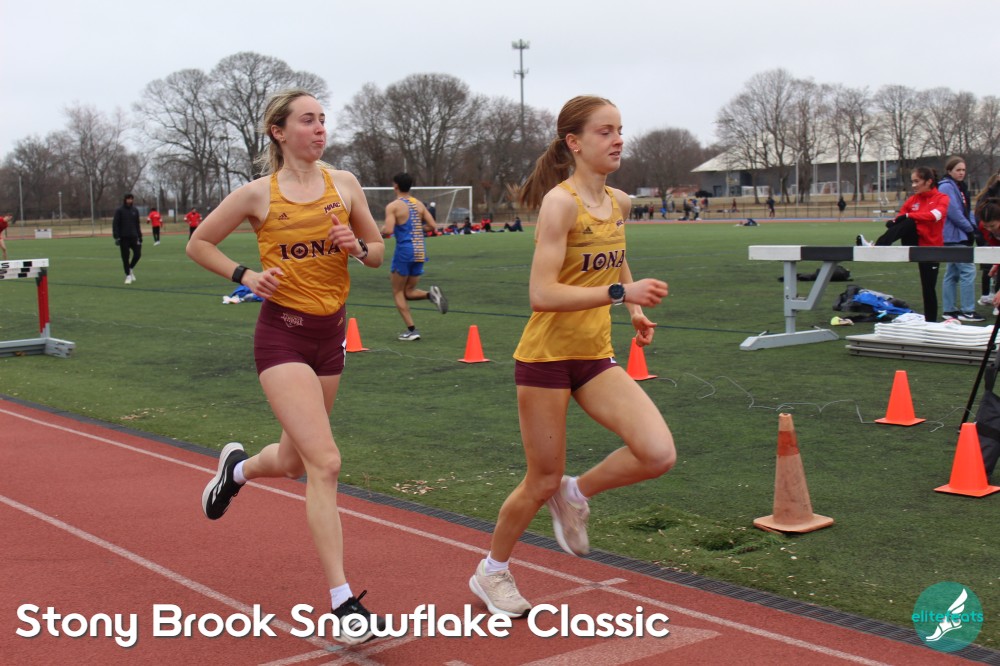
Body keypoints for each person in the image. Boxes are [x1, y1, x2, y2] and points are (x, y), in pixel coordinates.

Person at [186, 89, 388, 644]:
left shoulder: (344, 184)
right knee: (326, 461)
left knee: (295, 462)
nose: (320, 128)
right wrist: (246, 276)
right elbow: (199, 243)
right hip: (282, 338)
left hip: (330, 338)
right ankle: (343, 603)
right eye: (307, 120)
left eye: (323, 119)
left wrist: (356, 245)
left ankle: (236, 471)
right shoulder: (258, 194)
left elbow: (376, 253)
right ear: (279, 131)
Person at [468, 95, 675, 618]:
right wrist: (621, 295)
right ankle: (492, 571)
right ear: (574, 143)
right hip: (545, 360)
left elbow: (616, 257)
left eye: (620, 129)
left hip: (594, 356)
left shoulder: (619, 202)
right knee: (540, 479)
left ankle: (576, 493)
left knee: (657, 454)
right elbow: (541, 294)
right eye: (606, 131)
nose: (618, 139)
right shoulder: (560, 204)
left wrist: (633, 309)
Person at [864, 166, 948, 322]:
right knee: (907, 222)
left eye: (917, 181)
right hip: (913, 242)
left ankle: (930, 322)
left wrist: (910, 216)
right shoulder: (912, 200)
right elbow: (901, 218)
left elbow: (935, 216)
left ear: (928, 181)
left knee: (928, 288)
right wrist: (894, 222)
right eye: (912, 181)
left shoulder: (942, 198)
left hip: (931, 248)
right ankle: (877, 246)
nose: (913, 185)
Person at [380, 172, 447, 341]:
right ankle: (431, 295)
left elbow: (388, 230)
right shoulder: (419, 204)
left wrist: (378, 232)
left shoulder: (393, 206)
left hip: (404, 251)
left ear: (395, 186)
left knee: (397, 292)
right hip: (419, 250)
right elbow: (432, 226)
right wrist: (416, 230)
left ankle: (412, 330)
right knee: (408, 291)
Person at [938, 157, 982, 322]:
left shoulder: (959, 187)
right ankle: (967, 310)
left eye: (963, 170)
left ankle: (949, 310)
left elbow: (965, 209)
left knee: (953, 272)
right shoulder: (946, 187)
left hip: (957, 234)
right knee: (967, 270)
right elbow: (953, 212)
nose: (961, 173)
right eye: (958, 170)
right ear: (949, 171)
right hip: (953, 235)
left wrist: (973, 225)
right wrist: (969, 228)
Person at [112, 193, 142, 284]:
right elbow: (115, 224)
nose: (130, 200)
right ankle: (128, 275)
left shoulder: (135, 210)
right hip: (123, 237)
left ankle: (130, 268)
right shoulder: (119, 210)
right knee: (125, 257)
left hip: (134, 236)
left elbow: (137, 224)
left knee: (138, 254)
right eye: (128, 199)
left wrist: (140, 236)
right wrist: (116, 236)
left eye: (131, 199)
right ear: (125, 199)